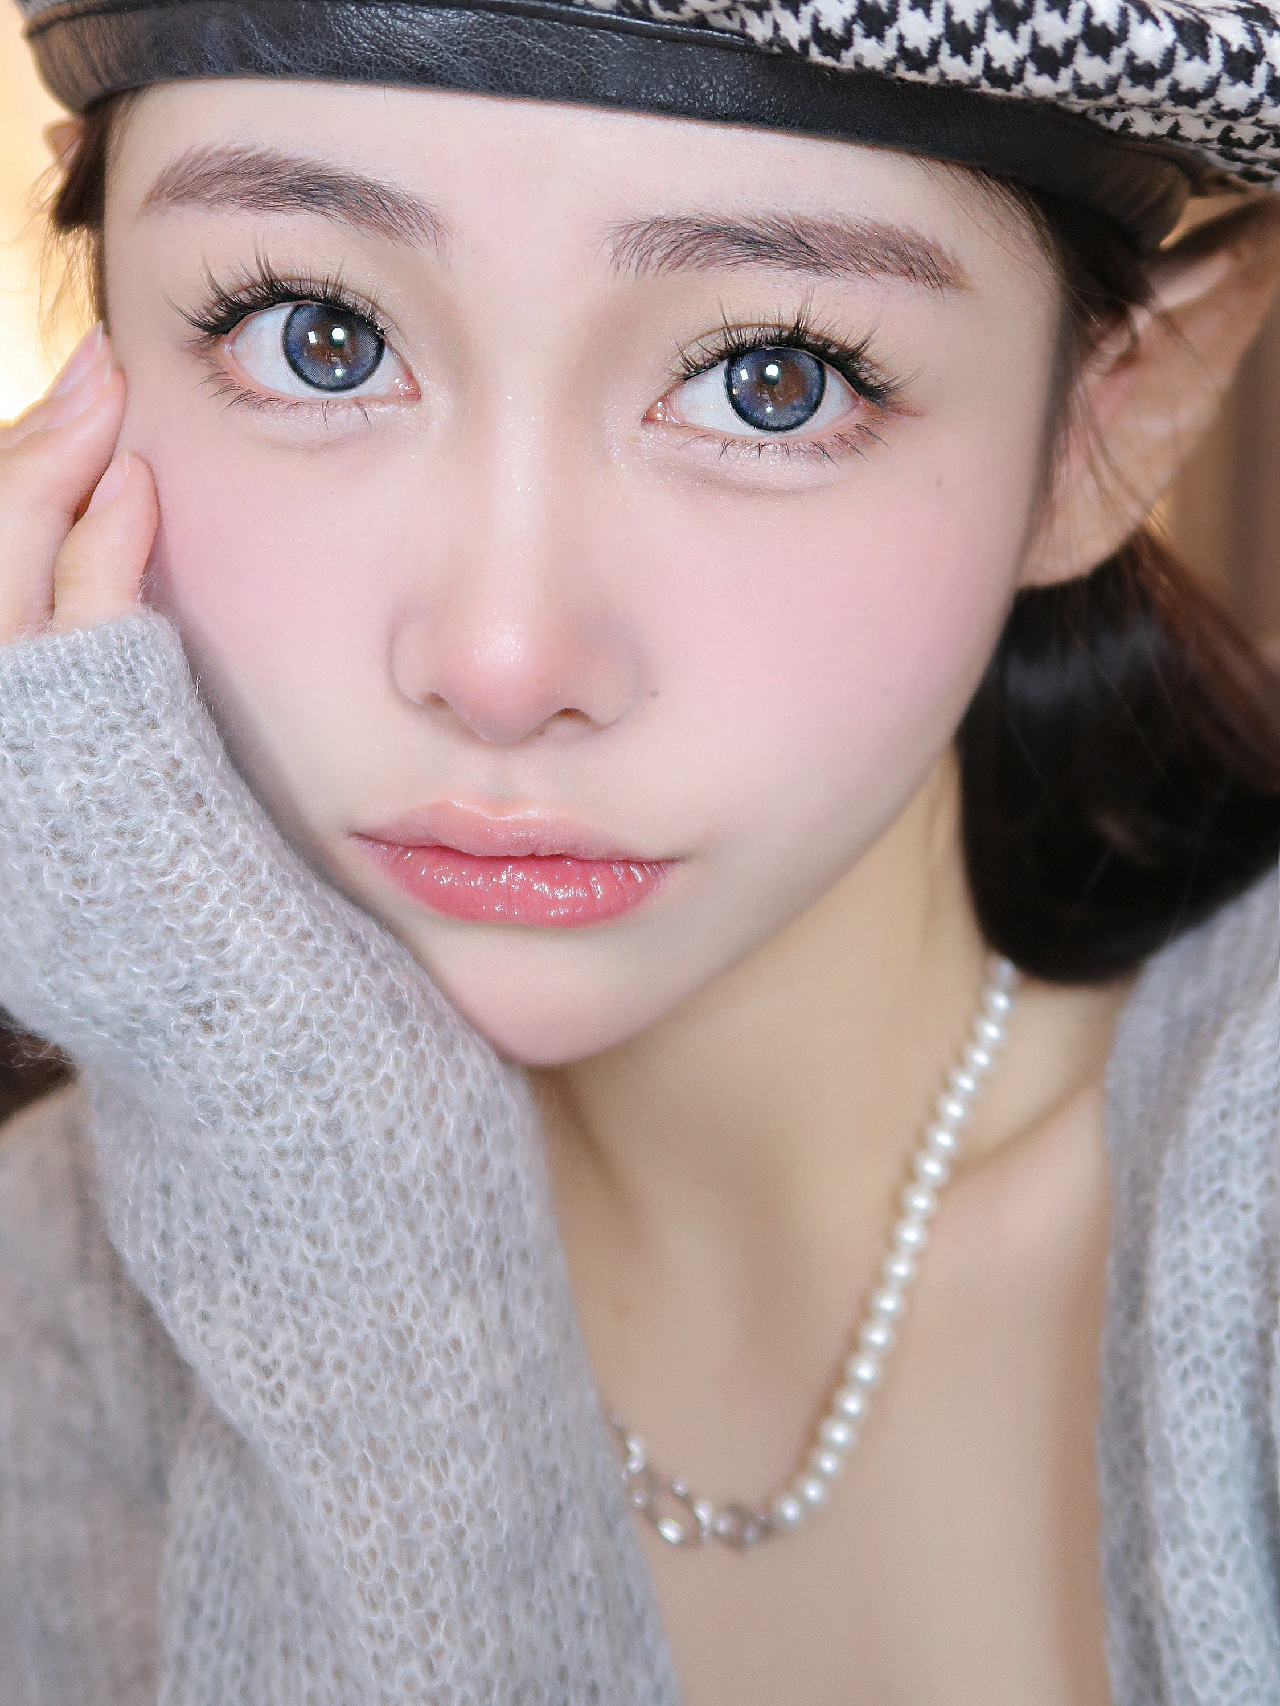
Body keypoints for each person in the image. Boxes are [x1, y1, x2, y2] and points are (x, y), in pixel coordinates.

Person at [0, 0, 1277, 1699]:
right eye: (319, 336)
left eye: (771, 380)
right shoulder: (42, 1315)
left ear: (1110, 421)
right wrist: (325, 1160)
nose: (503, 660)